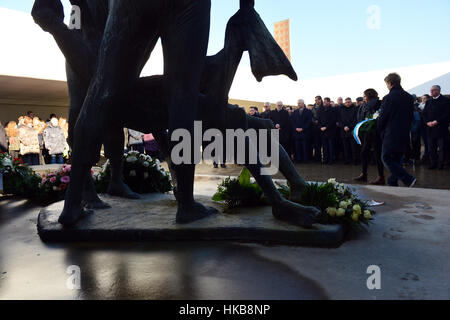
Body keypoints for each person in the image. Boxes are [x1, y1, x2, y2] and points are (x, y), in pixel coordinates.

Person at [378, 73, 416, 187]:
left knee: (386, 158)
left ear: (390, 83)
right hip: (404, 132)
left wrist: (379, 129)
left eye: (387, 84)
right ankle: (392, 182)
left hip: (391, 132)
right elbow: (411, 116)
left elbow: (383, 116)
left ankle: (408, 179)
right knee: (397, 159)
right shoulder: (409, 97)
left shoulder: (388, 98)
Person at [354, 89, 385, 184]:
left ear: (369, 95)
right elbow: (360, 117)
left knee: (377, 154)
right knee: (364, 153)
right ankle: (364, 174)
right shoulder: (363, 105)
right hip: (366, 133)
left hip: (376, 132)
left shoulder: (380, 103)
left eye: (364, 96)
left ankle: (381, 177)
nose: (363, 98)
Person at [423, 85, 450, 170]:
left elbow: (447, 114)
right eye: (431, 90)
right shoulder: (429, 101)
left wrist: (437, 121)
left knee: (442, 148)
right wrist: (427, 122)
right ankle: (433, 163)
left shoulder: (446, 101)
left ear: (438, 91)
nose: (431, 92)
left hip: (441, 128)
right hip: (430, 128)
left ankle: (441, 164)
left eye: (433, 90)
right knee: (431, 147)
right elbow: (424, 114)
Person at [291, 99, 312, 163]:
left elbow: (309, 121)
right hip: (296, 132)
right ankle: (298, 159)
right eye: (298, 103)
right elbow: (292, 121)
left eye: (299, 103)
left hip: (305, 132)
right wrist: (295, 128)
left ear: (303, 103)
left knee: (305, 147)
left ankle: (305, 159)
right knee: (297, 147)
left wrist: (303, 128)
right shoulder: (295, 111)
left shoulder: (308, 111)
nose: (298, 104)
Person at [338, 98, 357, 165]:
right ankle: (347, 160)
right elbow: (339, 119)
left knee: (353, 147)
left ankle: (354, 160)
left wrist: (349, 126)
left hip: (352, 130)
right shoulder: (341, 109)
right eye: (346, 102)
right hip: (343, 131)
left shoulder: (355, 109)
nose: (347, 103)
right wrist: (344, 126)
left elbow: (355, 120)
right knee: (345, 147)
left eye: (349, 102)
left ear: (351, 102)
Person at [318, 97, 337, 164]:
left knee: (331, 146)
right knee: (324, 147)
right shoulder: (321, 109)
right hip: (322, 131)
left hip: (330, 131)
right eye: (324, 102)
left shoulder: (333, 110)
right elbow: (319, 119)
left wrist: (326, 127)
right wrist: (320, 127)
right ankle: (325, 159)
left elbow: (333, 120)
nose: (324, 103)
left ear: (329, 102)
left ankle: (331, 160)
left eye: (326, 102)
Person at [311, 96, 323, 162]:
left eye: (317, 100)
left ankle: (323, 158)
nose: (316, 101)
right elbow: (311, 116)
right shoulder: (313, 108)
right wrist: (314, 121)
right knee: (316, 144)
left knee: (323, 144)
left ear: (320, 100)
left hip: (322, 127)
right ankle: (316, 158)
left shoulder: (323, 107)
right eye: (315, 100)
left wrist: (319, 121)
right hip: (315, 128)